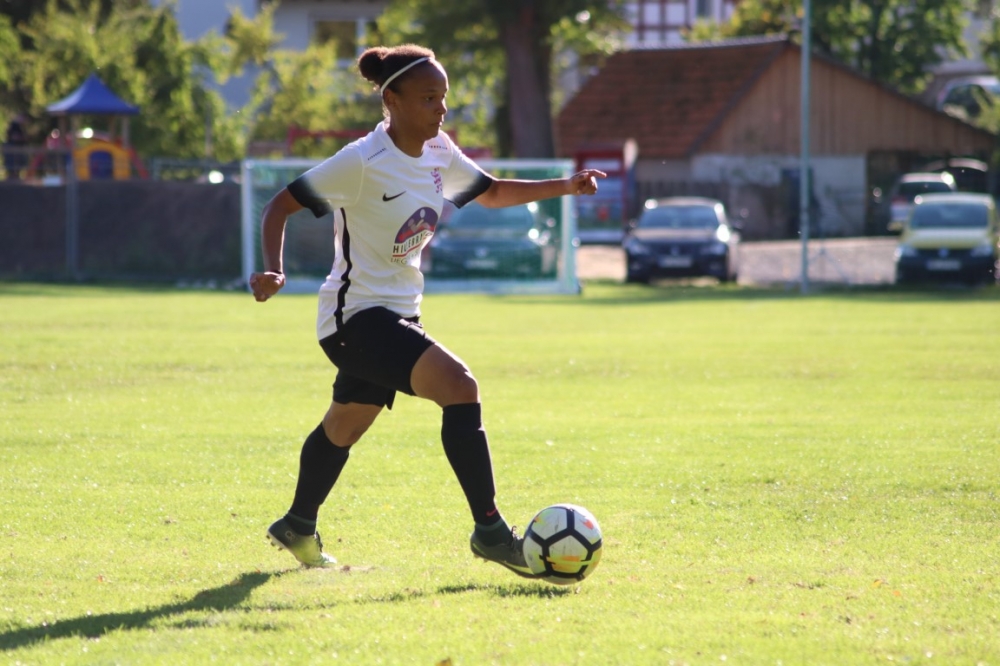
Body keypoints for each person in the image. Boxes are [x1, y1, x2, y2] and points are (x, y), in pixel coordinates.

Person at [250, 44, 605, 578]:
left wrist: (565, 187)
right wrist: (273, 269)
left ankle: (298, 524)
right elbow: (281, 204)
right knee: (460, 386)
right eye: (427, 98)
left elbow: (491, 192)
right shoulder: (361, 161)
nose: (440, 109)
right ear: (391, 99)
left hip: (398, 315)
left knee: (346, 423)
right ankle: (490, 533)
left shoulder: (439, 150)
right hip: (354, 319)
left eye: (443, 97)